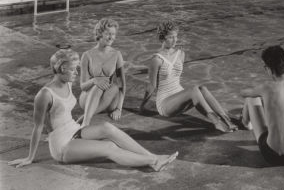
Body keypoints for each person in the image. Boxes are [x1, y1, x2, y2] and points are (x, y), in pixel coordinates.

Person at [8, 49, 177, 171]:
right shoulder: (44, 95)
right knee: (109, 148)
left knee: (107, 128)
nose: (76, 73)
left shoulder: (66, 82)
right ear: (61, 69)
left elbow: (64, 113)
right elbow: (37, 127)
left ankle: (152, 156)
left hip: (74, 129)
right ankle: (153, 161)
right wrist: (29, 158)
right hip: (62, 145)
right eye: (73, 70)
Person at [140, 20, 237, 133]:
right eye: (171, 37)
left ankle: (227, 120)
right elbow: (152, 86)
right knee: (193, 90)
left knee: (202, 89)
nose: (175, 40)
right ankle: (216, 122)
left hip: (179, 98)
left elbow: (175, 78)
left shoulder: (180, 54)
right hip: (165, 104)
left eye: (176, 36)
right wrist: (142, 106)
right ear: (162, 38)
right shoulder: (156, 60)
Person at [79, 18, 125, 127]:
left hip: (109, 98)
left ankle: (85, 118)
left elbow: (122, 85)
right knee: (98, 86)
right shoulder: (87, 55)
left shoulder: (117, 54)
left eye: (113, 34)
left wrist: (119, 108)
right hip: (88, 98)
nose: (111, 37)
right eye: (108, 34)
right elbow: (83, 86)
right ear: (99, 33)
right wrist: (95, 80)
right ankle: (85, 122)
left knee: (114, 87)